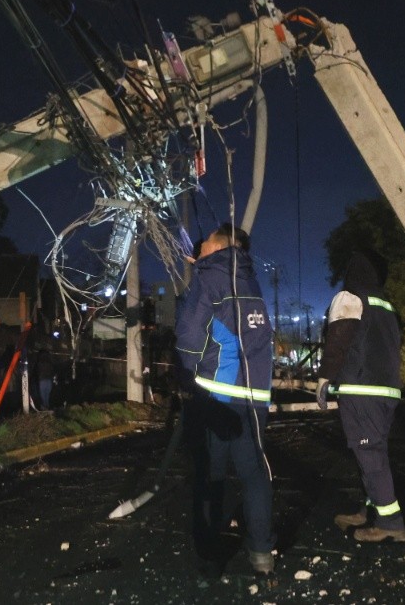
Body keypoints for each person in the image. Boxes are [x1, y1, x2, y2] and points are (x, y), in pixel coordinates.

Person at [174, 223, 276, 576]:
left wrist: (186, 376)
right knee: (254, 474)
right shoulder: (248, 280)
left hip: (216, 394)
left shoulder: (209, 279)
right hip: (254, 397)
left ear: (217, 247)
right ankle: (262, 554)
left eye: (203, 246)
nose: (197, 249)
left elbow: (189, 335)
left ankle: (210, 557)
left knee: (210, 475)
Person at [316, 249, 405, 542]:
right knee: (370, 451)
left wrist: (324, 379)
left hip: (361, 389)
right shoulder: (387, 307)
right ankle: (371, 510)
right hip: (387, 391)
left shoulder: (350, 298)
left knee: (369, 453)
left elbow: (338, 340)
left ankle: (391, 523)